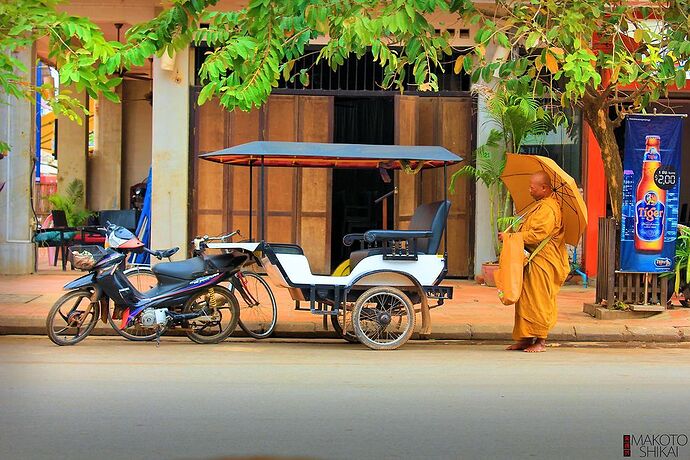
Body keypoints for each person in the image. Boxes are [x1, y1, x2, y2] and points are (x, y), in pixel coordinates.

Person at [499, 171, 569, 352]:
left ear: (544, 188)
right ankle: (525, 338)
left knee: (539, 300)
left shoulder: (548, 209)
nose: (529, 190)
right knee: (525, 300)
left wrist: (511, 237)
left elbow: (538, 234)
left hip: (544, 261)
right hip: (532, 259)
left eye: (533, 187)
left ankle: (541, 340)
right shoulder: (539, 206)